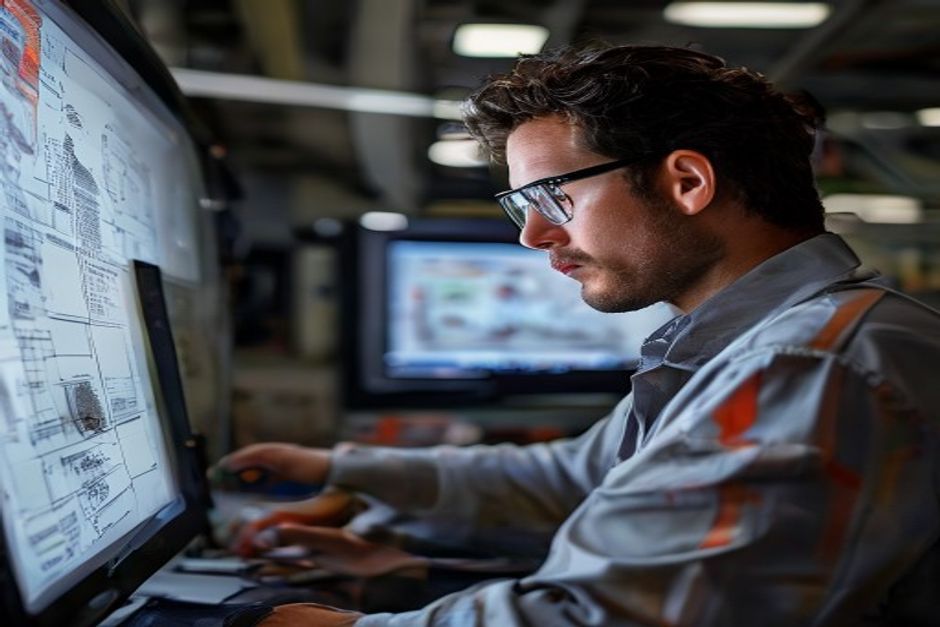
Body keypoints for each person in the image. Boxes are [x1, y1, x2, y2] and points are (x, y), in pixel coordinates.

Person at [219, 44, 940, 626]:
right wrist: (339, 468)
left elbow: (612, 615)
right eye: (521, 205)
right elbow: (569, 481)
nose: (534, 234)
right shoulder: (741, 347)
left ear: (688, 181)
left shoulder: (809, 364)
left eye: (551, 195)